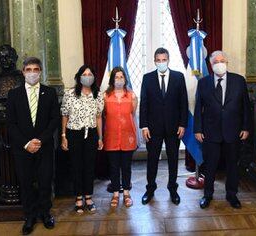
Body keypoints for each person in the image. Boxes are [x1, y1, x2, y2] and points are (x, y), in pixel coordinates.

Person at [6, 57, 59, 235]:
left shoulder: (50, 92)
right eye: (28, 70)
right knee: (26, 183)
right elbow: (11, 124)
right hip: (23, 148)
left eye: (35, 69)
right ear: (23, 72)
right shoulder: (14, 94)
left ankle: (45, 213)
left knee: (45, 182)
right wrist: (27, 143)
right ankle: (29, 216)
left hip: (44, 146)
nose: (32, 73)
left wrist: (40, 141)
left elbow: (54, 120)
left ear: (40, 71)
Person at [194, 50, 251, 209]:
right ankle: (207, 195)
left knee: (232, 165)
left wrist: (246, 127)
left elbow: (245, 106)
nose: (219, 64)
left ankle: (232, 195)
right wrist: (197, 129)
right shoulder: (203, 82)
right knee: (210, 166)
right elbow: (199, 107)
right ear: (211, 65)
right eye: (215, 62)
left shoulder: (239, 81)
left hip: (233, 131)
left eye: (222, 61)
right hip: (210, 132)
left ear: (227, 63)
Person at [139, 47, 188, 205]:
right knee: (152, 159)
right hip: (153, 128)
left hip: (174, 127)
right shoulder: (147, 78)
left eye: (164, 60)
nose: (161, 62)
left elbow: (183, 103)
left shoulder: (178, 77)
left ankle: (173, 188)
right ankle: (150, 188)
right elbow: (144, 103)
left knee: (173, 159)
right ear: (154, 61)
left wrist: (183, 124)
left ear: (168, 60)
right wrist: (144, 126)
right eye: (158, 60)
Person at [60, 65, 103, 214]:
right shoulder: (70, 94)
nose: (87, 76)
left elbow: (98, 117)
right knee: (76, 166)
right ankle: (78, 198)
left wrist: (100, 137)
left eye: (90, 74)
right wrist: (63, 136)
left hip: (91, 134)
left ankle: (89, 197)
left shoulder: (98, 94)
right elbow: (65, 115)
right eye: (84, 74)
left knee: (89, 166)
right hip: (74, 134)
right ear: (79, 77)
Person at [103, 67, 138, 208]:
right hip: (111, 137)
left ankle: (127, 193)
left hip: (127, 136)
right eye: (116, 77)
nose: (119, 80)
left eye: (121, 77)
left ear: (125, 79)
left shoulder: (132, 96)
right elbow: (103, 115)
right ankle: (116, 193)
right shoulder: (105, 96)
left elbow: (133, 114)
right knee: (113, 167)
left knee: (126, 166)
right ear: (112, 79)